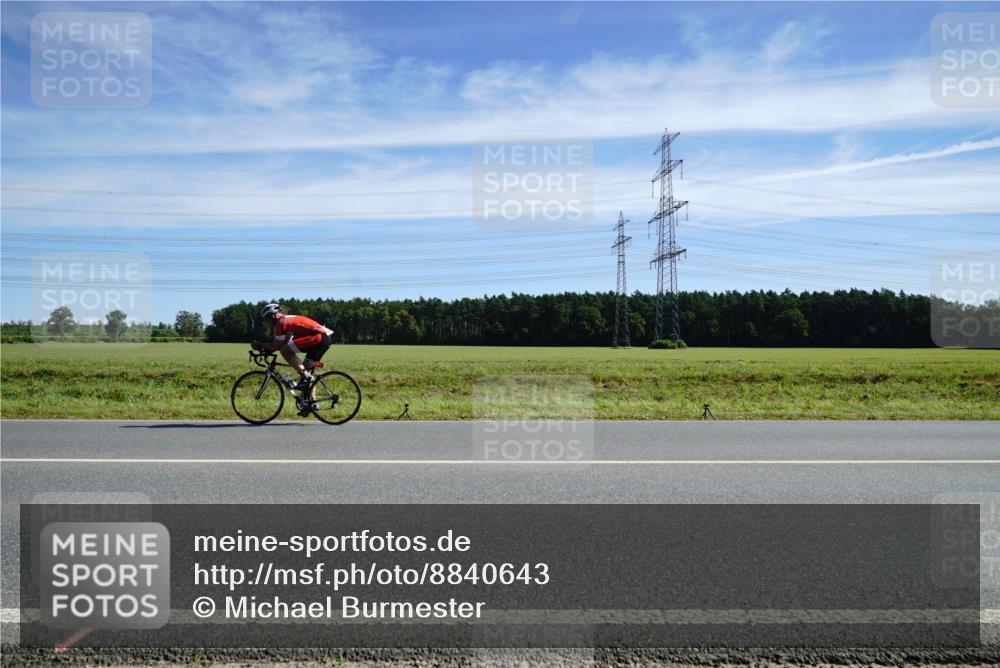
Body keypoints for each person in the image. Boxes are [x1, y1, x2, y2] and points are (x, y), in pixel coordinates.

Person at [253, 304, 333, 390]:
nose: (265, 321)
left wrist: (260, 345)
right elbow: (284, 342)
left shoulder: (280, 323)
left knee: (285, 351)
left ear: (272, 315)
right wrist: (268, 349)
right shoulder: (286, 319)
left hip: (318, 337)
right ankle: (311, 398)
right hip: (325, 337)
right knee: (307, 373)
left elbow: (277, 345)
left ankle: (305, 376)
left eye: (265, 318)